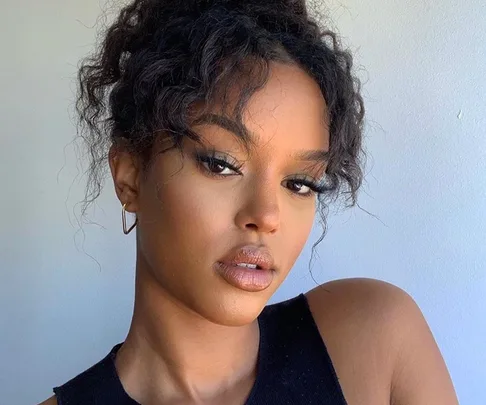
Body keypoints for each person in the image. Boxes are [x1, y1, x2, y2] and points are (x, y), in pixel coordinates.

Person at [38, 0, 459, 404]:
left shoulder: (376, 339)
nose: (267, 216)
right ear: (130, 174)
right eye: (221, 165)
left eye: (298, 184)